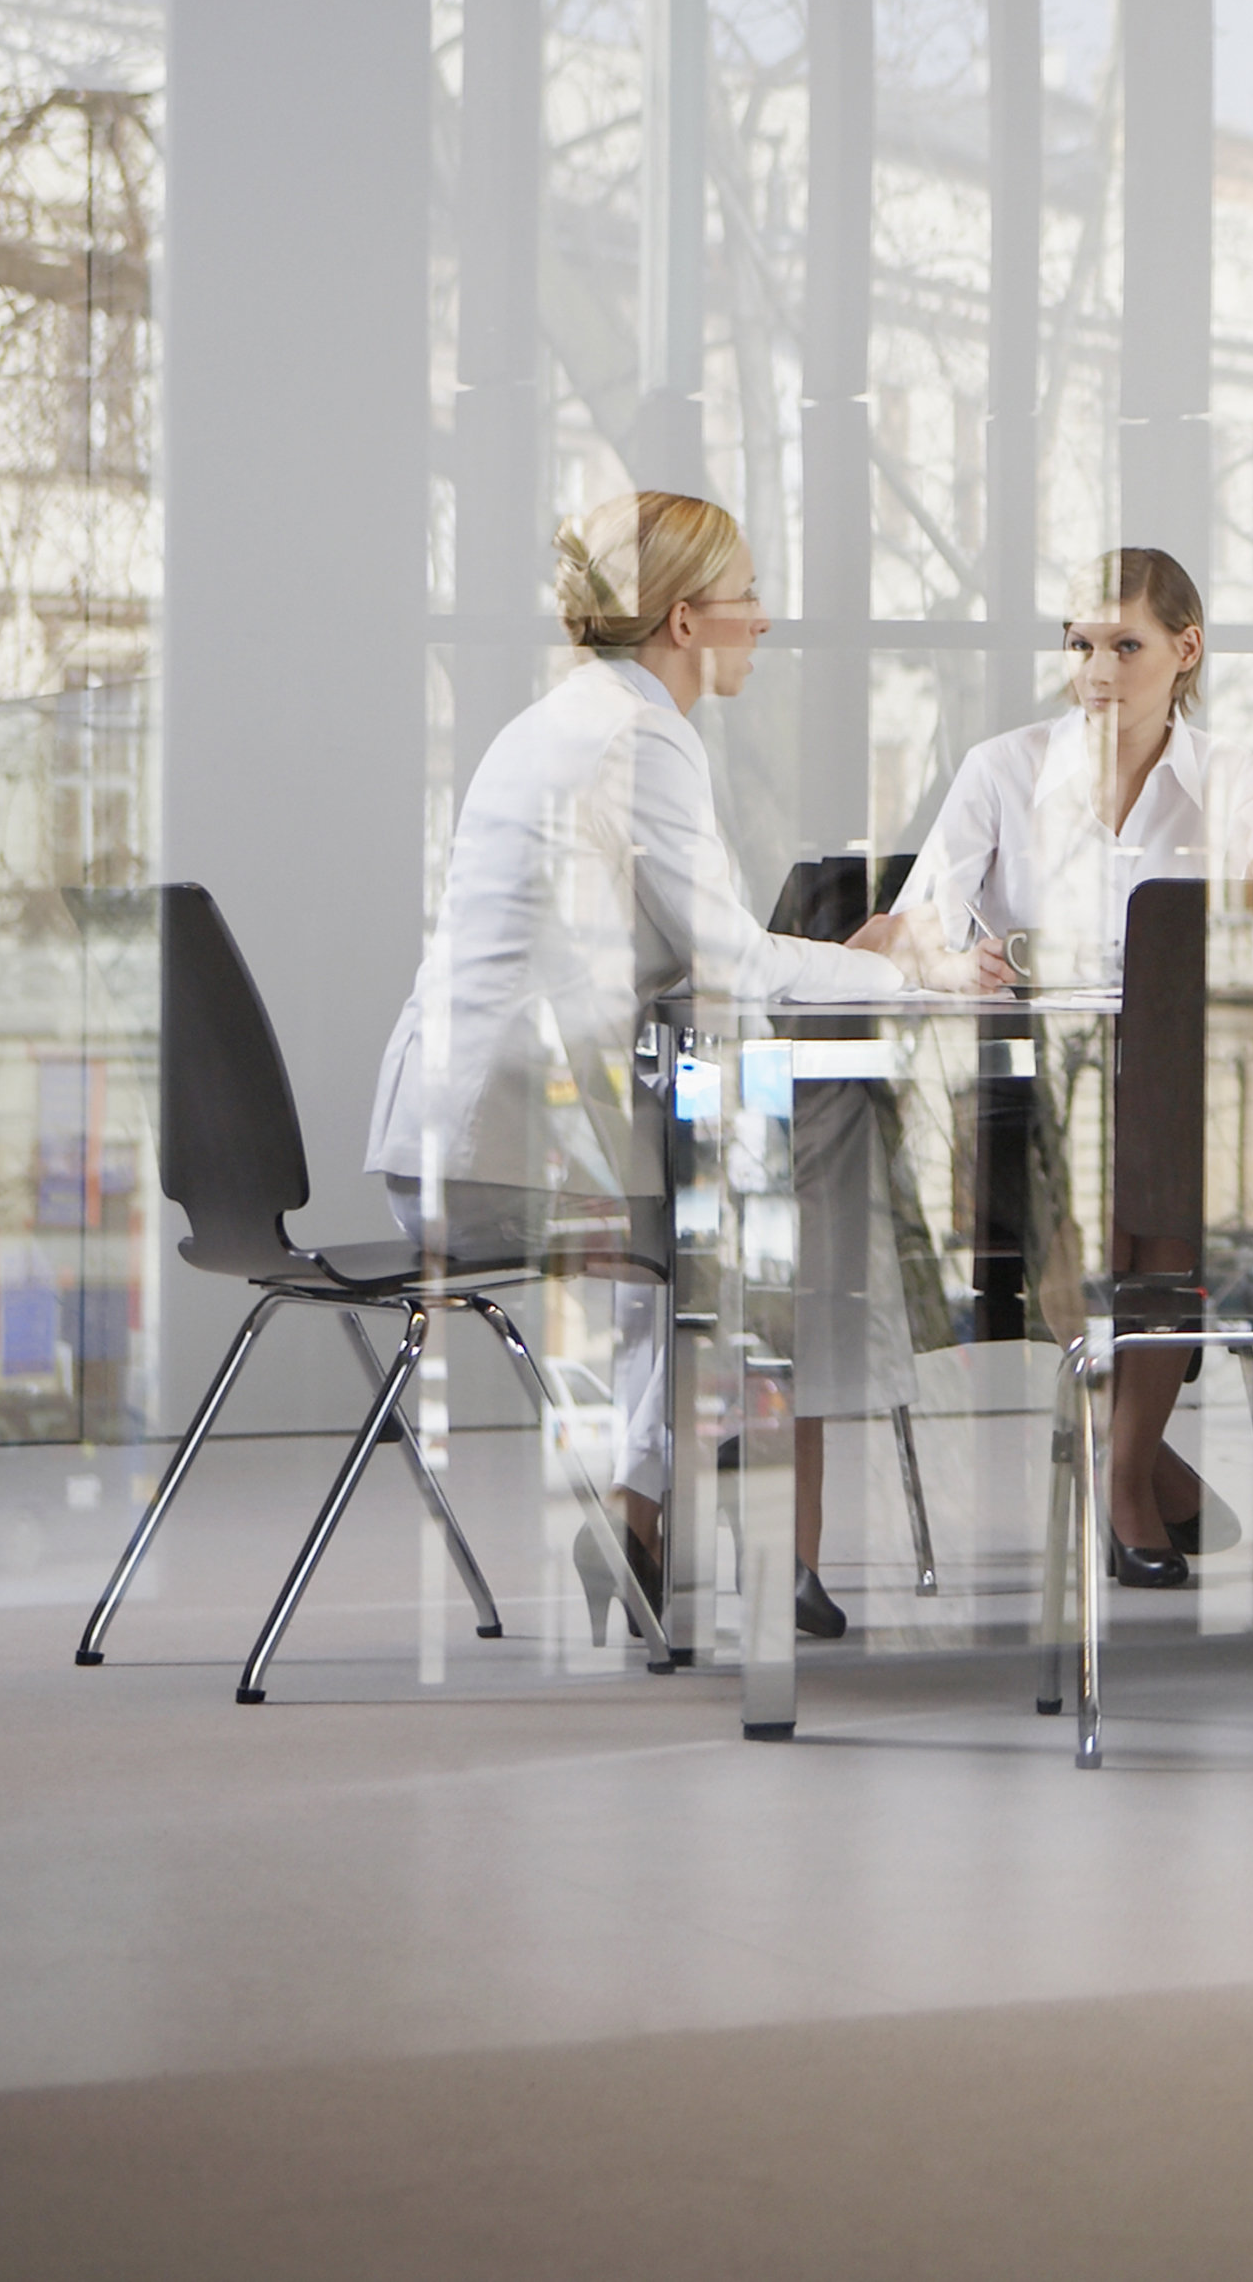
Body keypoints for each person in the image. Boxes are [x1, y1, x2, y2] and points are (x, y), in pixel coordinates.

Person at [365, 490, 956, 1647]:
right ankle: (670, 1535)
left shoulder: (563, 720)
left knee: (711, 1226)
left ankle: (636, 1528)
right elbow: (729, 960)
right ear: (685, 622)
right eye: (746, 600)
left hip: (442, 1127)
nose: (765, 622)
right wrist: (895, 967)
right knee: (750, 1245)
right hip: (497, 1153)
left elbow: (674, 963)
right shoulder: (640, 739)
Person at [896, 547, 1253, 1587]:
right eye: (1081, 644)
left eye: (1124, 645)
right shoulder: (1005, 768)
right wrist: (964, 959)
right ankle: (1141, 1469)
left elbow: (1250, 946)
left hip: (1172, 1088)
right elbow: (914, 927)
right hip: (1026, 1093)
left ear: (1184, 651)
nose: (1096, 669)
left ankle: (1121, 1470)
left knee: (1168, 1153)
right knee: (1100, 1177)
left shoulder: (1226, 776)